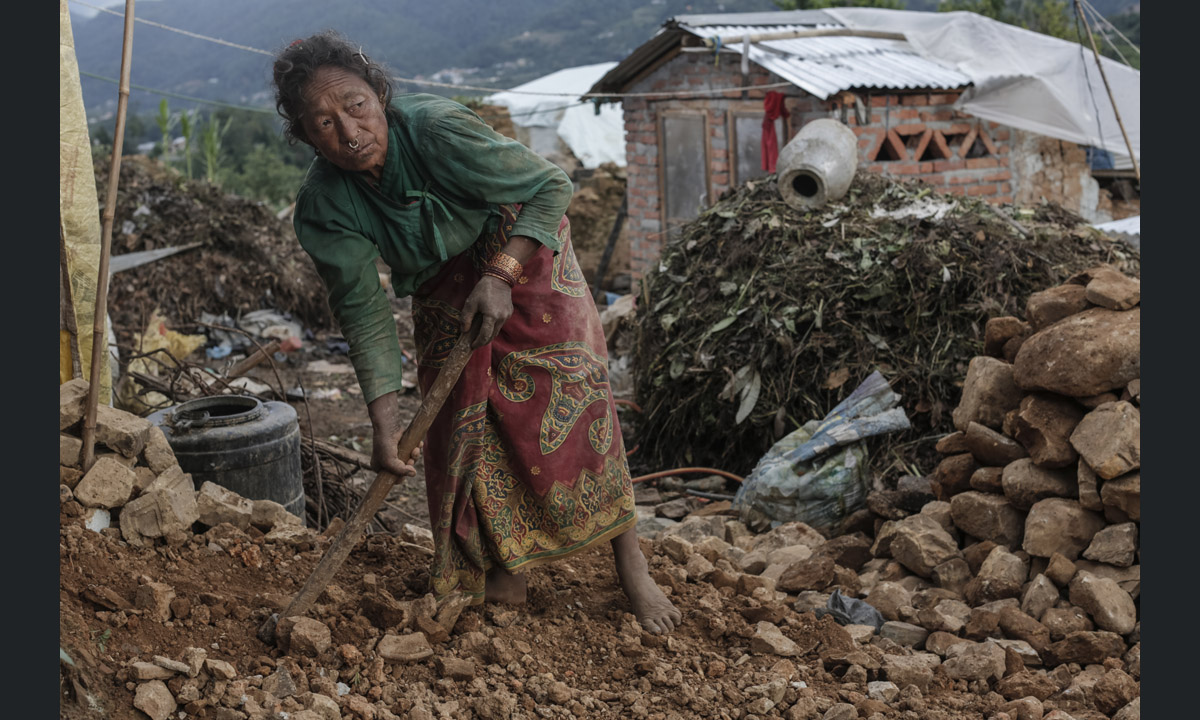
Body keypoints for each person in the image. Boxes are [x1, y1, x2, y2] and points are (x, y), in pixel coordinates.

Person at [273, 32, 681, 633]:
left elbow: (551, 186)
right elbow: (362, 312)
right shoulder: (323, 205)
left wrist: (502, 272)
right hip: (441, 286)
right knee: (463, 428)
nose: (350, 131)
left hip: (522, 243)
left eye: (356, 106)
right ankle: (504, 567)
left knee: (573, 398)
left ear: (380, 95)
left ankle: (630, 562)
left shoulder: (436, 128)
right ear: (306, 136)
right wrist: (385, 430)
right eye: (324, 122)